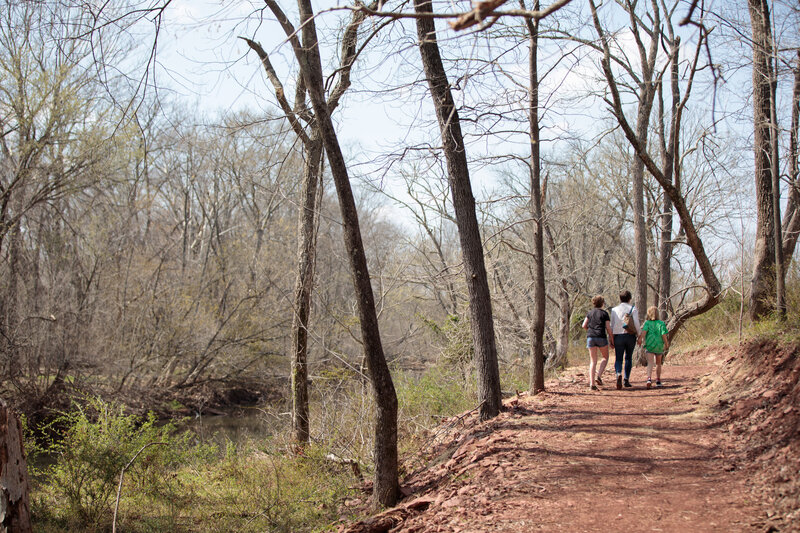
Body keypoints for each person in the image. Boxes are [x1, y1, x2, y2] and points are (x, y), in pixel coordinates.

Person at [582, 295, 614, 390]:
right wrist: (611, 339)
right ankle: (598, 375)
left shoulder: (590, 313)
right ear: (602, 303)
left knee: (593, 361)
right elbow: (608, 328)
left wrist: (589, 330)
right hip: (601, 336)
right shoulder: (604, 314)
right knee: (605, 357)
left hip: (591, 337)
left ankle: (592, 384)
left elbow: (584, 325)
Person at [610, 290, 640, 389]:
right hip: (630, 336)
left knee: (618, 358)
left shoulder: (614, 310)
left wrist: (611, 338)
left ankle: (618, 373)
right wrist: (639, 334)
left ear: (620, 298)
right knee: (628, 357)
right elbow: (636, 323)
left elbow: (612, 324)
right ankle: (626, 379)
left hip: (618, 336)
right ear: (629, 298)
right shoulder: (633, 308)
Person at [637, 306, 669, 388]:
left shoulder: (647, 323)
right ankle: (658, 380)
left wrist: (640, 340)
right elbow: (663, 334)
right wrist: (666, 344)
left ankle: (649, 378)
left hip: (650, 345)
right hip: (659, 345)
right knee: (658, 363)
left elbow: (643, 333)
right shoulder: (661, 323)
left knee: (650, 363)